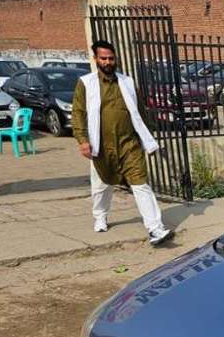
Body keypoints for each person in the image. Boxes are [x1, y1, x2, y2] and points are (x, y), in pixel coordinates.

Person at [71, 40, 173, 245]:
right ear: (96, 59)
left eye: (111, 58)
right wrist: (82, 140)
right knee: (102, 185)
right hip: (101, 144)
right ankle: (100, 216)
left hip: (129, 144)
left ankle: (155, 228)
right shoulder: (86, 83)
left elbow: (140, 111)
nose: (108, 62)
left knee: (141, 183)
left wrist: (148, 137)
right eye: (104, 58)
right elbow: (78, 113)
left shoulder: (127, 82)